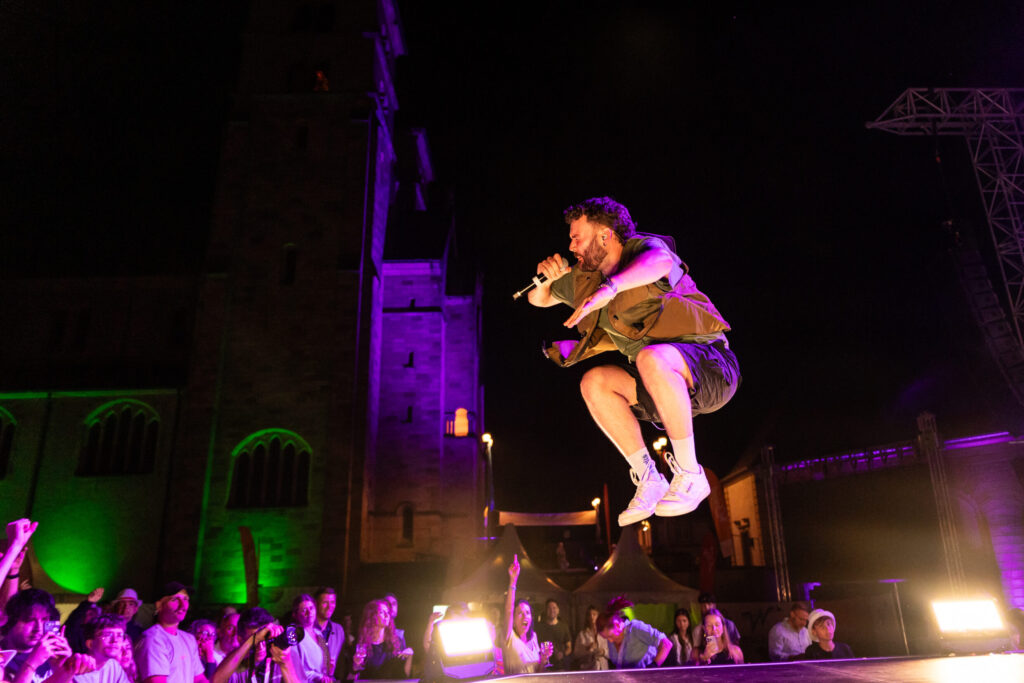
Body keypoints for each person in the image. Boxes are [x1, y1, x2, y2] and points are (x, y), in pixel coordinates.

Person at [528, 197, 740, 526]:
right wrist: (545, 280)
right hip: (659, 385)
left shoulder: (644, 250)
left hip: (711, 367)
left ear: (605, 235)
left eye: (577, 237)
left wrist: (611, 288)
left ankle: (690, 473)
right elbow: (537, 300)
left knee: (651, 356)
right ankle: (649, 478)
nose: (571, 246)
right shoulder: (585, 277)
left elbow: (658, 263)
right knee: (594, 382)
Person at [2, 588, 96, 683]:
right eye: (30, 620)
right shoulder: (3, 657)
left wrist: (65, 669)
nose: (38, 628)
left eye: (44, 620)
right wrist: (31, 664)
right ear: (10, 621)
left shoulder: (51, 656)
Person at [134, 582, 207, 683]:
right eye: (175, 599)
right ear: (159, 605)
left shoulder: (189, 638)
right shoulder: (153, 639)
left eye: (185, 599)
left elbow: (199, 679)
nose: (182, 605)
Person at [210, 607, 302, 683]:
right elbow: (216, 681)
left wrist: (285, 664)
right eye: (256, 642)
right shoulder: (235, 664)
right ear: (241, 640)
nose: (261, 646)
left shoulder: (288, 656)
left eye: (265, 639)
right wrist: (253, 640)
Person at [501, 556, 551, 675]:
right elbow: (508, 609)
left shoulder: (534, 637)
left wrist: (543, 660)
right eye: (520, 613)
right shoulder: (508, 637)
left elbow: (537, 675)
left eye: (527, 613)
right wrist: (513, 581)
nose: (525, 616)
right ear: (512, 620)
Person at [596, 597, 670, 669]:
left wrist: (652, 668)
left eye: (610, 636)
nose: (610, 641)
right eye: (606, 638)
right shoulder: (611, 640)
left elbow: (666, 644)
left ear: (617, 625)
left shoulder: (636, 628)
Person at [349, 600, 412, 680]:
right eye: (382, 612)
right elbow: (350, 678)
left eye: (387, 612)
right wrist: (356, 665)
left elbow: (404, 675)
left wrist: (410, 656)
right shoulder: (361, 643)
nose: (386, 615)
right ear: (371, 616)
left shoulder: (396, 641)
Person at [74, 616, 131, 683]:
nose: (115, 640)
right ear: (90, 644)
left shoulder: (113, 665)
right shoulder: (77, 670)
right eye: (108, 635)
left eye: (119, 635)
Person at [311, 589, 343, 681]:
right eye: (325, 602)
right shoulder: (307, 629)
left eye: (332, 602)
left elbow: (341, 664)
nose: (330, 606)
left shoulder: (338, 630)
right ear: (316, 604)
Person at [533, 600, 571, 670]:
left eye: (554, 608)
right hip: (544, 667)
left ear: (558, 610)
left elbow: (569, 647)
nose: (552, 610)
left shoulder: (564, 627)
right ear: (546, 611)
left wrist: (563, 654)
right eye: (549, 608)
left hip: (560, 667)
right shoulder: (539, 627)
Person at [572, 606, 608, 671]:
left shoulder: (605, 633)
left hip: (603, 669)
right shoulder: (582, 634)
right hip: (588, 669)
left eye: (594, 614)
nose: (591, 617)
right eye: (589, 615)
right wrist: (586, 649)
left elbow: (613, 653)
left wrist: (603, 652)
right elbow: (576, 654)